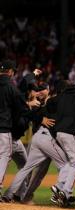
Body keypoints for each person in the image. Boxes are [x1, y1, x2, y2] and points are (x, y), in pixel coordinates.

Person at [0, 60, 29, 198]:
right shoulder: (11, 87)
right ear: (10, 71)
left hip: (9, 133)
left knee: (24, 163)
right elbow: (21, 109)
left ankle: (19, 194)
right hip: (5, 130)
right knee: (4, 158)